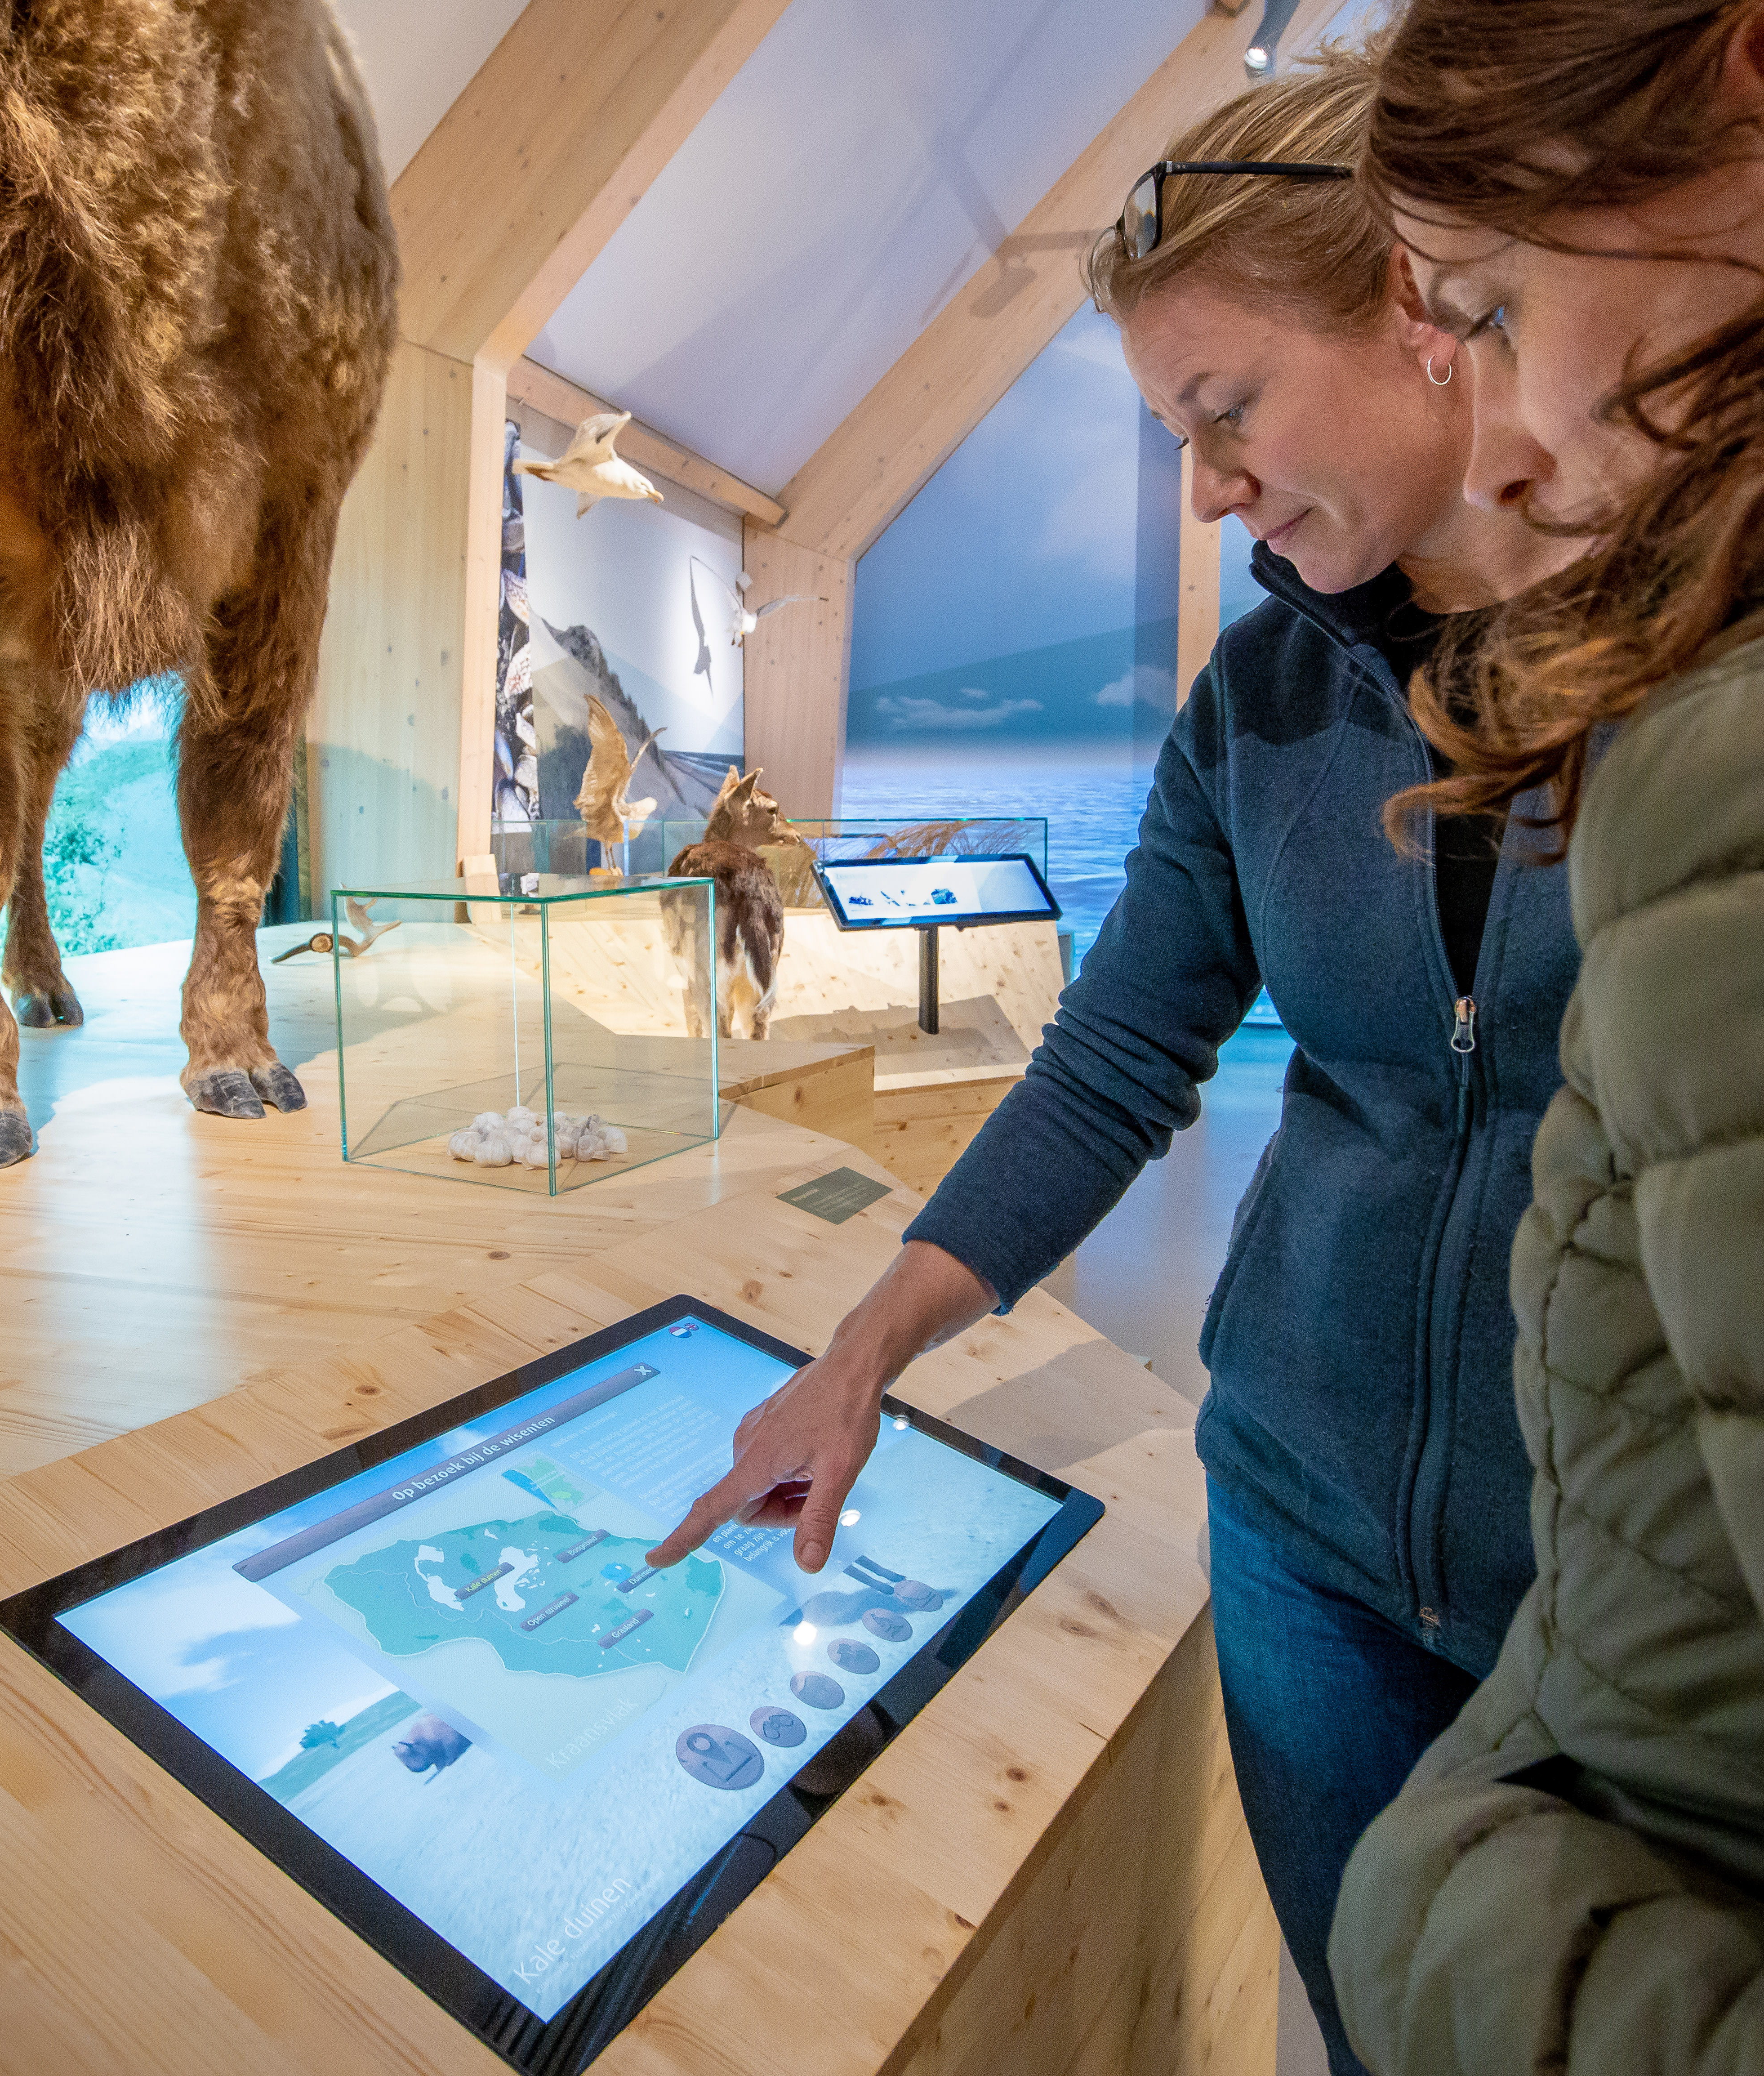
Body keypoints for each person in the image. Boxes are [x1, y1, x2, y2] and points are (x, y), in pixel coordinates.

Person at [643, 51, 1584, 2076]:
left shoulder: (1684, 678)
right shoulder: (1252, 703)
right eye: (1175, 434)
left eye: (1224, 412)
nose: (1207, 491)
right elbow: (1112, 1058)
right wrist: (864, 1349)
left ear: (1425, 314)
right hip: (1305, 1546)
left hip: (1624, 1602)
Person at [1324, 5, 1764, 2069]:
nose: (1498, 440)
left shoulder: (1705, 752)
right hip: (1381, 1535)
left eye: (1484, 316)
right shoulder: (1259, 692)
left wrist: (1447, 1915)